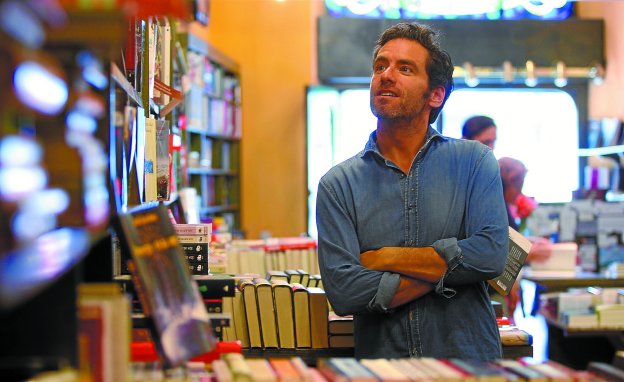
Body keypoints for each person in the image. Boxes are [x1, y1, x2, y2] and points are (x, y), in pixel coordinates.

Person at [315, 22, 509, 360]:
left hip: (469, 365)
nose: (386, 75)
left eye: (404, 68)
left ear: (435, 95)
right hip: (383, 367)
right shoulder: (338, 184)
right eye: (380, 66)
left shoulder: (475, 162)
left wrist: (384, 258)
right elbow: (345, 292)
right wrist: (453, 273)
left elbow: (490, 256)